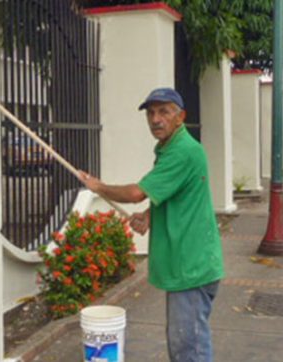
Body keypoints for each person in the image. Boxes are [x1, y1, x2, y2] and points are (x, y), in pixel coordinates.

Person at [78, 87, 225, 361]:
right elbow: (174, 193)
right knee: (183, 343)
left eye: (164, 112)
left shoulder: (182, 151)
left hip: (191, 267)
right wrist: (149, 215)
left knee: (188, 348)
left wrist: (98, 187)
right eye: (151, 113)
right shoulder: (171, 148)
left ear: (180, 117)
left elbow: (136, 193)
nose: (156, 119)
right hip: (188, 264)